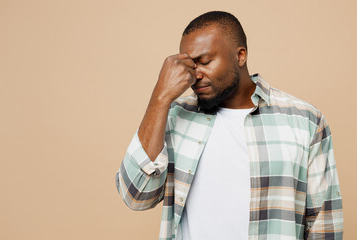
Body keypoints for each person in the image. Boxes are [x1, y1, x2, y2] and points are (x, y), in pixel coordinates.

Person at [115, 11, 343, 240]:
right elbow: (136, 195)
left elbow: (324, 223)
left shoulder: (304, 120)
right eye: (189, 65)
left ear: (240, 56)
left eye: (204, 62)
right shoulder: (174, 115)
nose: (195, 75)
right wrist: (160, 97)